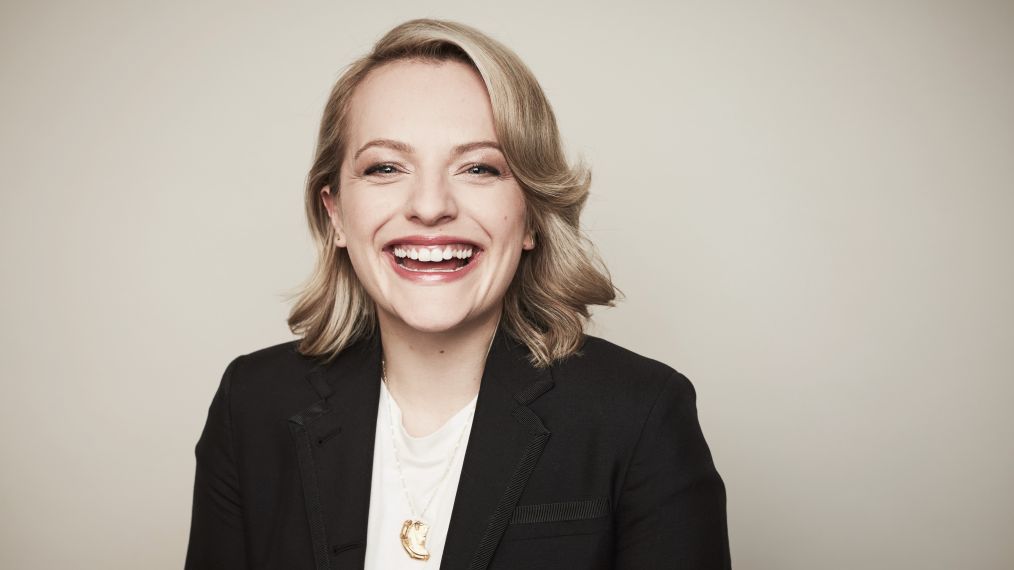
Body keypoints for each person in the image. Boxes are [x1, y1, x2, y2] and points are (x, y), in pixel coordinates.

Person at [185, 18, 730, 570]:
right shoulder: (251, 405)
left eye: (478, 167)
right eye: (386, 166)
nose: (429, 205)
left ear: (531, 216)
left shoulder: (640, 414)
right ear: (336, 216)